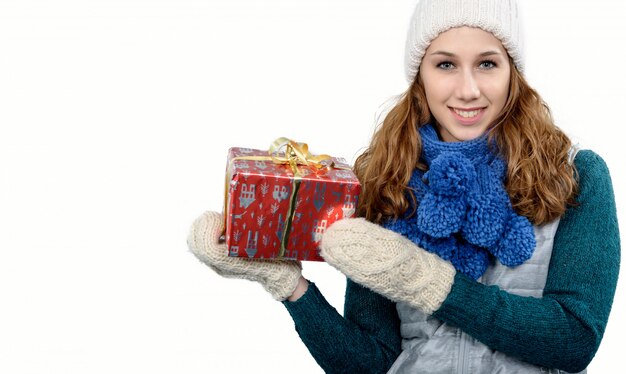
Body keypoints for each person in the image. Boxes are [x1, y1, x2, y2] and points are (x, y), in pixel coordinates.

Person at [187, 0, 620, 372]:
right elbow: (371, 362)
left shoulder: (575, 176)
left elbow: (575, 338)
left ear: (513, 73)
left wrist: (431, 283)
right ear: (420, 76)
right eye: (445, 64)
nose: (467, 89)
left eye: (487, 63)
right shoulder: (386, 185)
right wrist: (287, 285)